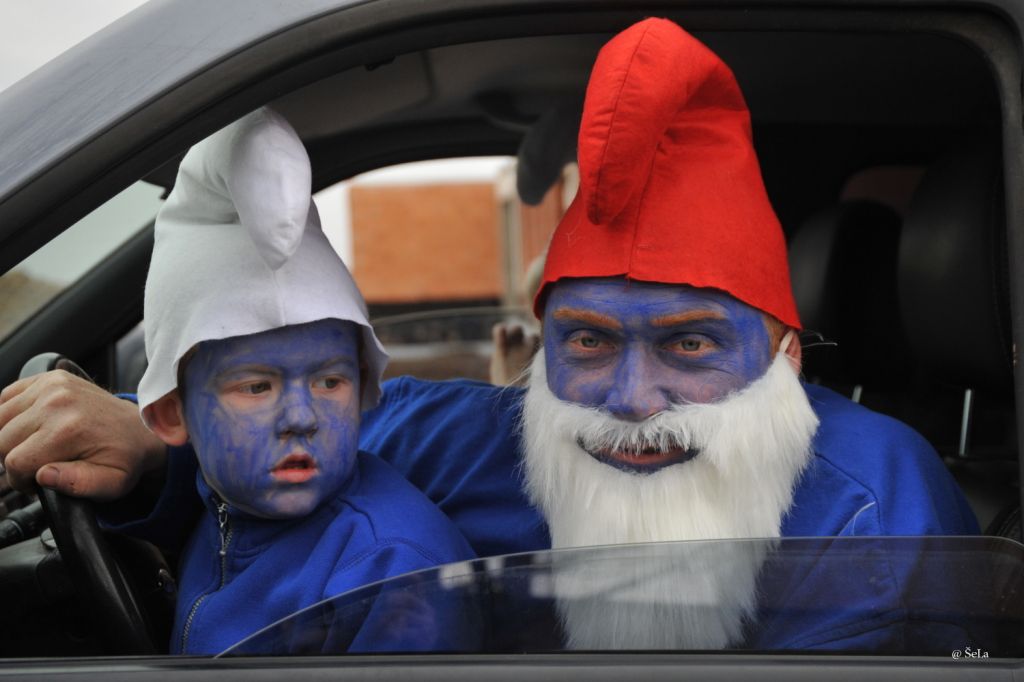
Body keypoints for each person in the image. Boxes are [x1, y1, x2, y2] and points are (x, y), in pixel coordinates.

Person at [0, 19, 977, 652]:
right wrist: (148, 446)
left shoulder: (879, 512)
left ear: (783, 354)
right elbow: (304, 430)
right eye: (587, 343)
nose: (630, 400)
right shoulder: (493, 440)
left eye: (690, 346)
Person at [128, 107, 473, 654]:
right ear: (172, 412)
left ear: (364, 386)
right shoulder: (227, 499)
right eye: (256, 388)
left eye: (329, 382)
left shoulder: (391, 573)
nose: (300, 418)